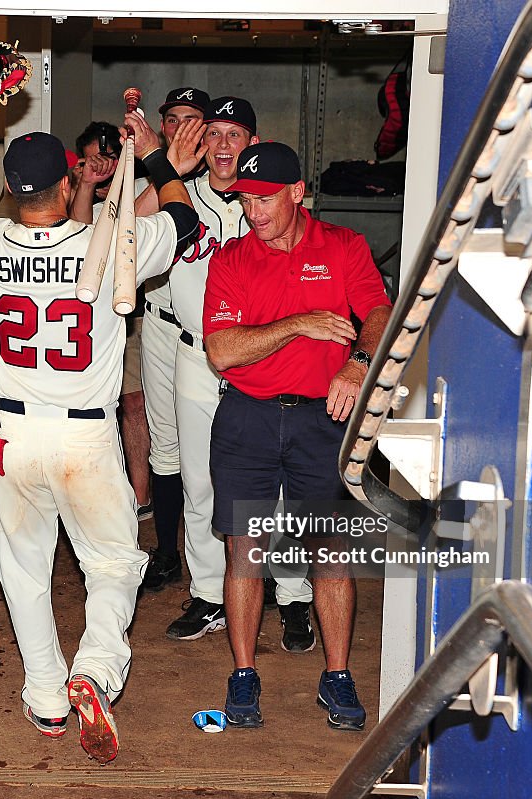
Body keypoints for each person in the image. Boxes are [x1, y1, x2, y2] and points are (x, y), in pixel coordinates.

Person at [0, 80, 199, 763]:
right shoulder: (111, 244)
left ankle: (45, 698)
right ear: (70, 179)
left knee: (23, 573)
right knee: (113, 565)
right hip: (85, 436)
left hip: (10, 438)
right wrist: (158, 162)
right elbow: (185, 226)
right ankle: (94, 671)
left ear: (12, 189)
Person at [202, 141, 392, 731]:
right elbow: (222, 350)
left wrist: (357, 364)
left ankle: (337, 676)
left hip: (322, 421)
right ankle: (242, 675)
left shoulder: (343, 247)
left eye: (263, 200)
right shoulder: (232, 259)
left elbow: (379, 313)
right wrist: (299, 325)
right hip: (248, 418)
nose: (252, 212)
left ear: (296, 192)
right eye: (244, 200)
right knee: (245, 551)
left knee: (330, 554)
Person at [140, 97, 315, 646]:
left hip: (265, 359)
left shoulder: (267, 201)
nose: (220, 145)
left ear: (253, 145)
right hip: (196, 354)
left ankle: (293, 597)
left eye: (233, 135)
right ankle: (209, 594)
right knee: (200, 484)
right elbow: (125, 229)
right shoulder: (178, 197)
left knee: (278, 489)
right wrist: (170, 169)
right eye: (210, 133)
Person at [138, 87, 209, 593]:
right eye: (173, 119)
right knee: (165, 447)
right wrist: (165, 170)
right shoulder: (150, 176)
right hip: (162, 325)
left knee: (229, 454)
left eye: (192, 119)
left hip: (223, 337)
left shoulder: (230, 184)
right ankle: (167, 552)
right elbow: (117, 228)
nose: (182, 127)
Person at [70, 122, 152, 520]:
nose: (101, 166)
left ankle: (140, 498)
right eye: (91, 159)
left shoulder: (139, 189)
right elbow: (82, 236)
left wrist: (122, 177)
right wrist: (89, 182)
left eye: (108, 159)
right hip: (86, 317)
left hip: (131, 315)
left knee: (133, 404)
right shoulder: (78, 191)